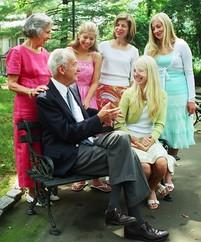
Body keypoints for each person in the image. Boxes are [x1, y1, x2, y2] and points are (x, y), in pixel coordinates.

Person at [36, 48, 169, 241]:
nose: (79, 69)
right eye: (75, 65)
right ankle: (134, 222)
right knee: (127, 156)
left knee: (122, 140)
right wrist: (98, 120)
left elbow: (79, 117)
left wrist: (103, 116)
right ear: (62, 69)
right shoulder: (46, 98)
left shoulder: (70, 89)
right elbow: (67, 133)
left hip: (87, 144)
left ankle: (116, 210)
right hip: (69, 154)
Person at [6, 13, 59, 202]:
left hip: (43, 109)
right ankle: (31, 189)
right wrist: (30, 91)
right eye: (47, 31)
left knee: (43, 147)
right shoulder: (18, 52)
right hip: (26, 108)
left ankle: (43, 184)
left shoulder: (45, 53)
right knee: (27, 149)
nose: (49, 35)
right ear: (36, 30)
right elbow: (11, 84)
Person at [115, 55, 175, 209]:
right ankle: (149, 190)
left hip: (149, 139)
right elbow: (119, 123)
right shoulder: (128, 94)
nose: (135, 74)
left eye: (140, 71)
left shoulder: (161, 95)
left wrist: (152, 138)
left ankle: (151, 189)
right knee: (146, 169)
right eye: (134, 70)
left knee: (161, 164)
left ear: (151, 73)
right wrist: (134, 139)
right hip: (131, 138)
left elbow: (160, 123)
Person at [144, 12, 196, 168]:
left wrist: (191, 99)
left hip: (178, 95)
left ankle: (169, 167)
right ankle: (158, 163)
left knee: (175, 131)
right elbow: (144, 70)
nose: (156, 31)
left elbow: (189, 72)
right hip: (156, 94)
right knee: (157, 128)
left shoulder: (181, 45)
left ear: (166, 25)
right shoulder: (150, 47)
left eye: (159, 26)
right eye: (153, 28)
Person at [68, 21, 110, 192]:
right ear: (79, 36)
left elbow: (95, 81)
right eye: (85, 37)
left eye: (91, 39)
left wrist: (88, 99)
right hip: (72, 93)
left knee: (92, 133)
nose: (87, 41)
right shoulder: (70, 51)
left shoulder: (96, 56)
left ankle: (96, 179)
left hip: (89, 97)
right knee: (76, 132)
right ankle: (78, 176)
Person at [96, 13, 139, 109]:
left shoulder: (134, 51)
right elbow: (95, 71)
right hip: (102, 90)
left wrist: (132, 98)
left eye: (123, 26)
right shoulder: (103, 46)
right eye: (117, 25)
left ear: (129, 30)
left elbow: (133, 78)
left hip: (122, 91)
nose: (119, 28)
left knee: (118, 122)